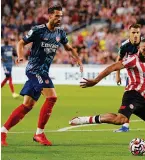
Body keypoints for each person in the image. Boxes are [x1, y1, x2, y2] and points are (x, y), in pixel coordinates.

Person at [69, 38, 145, 155]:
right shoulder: (132, 60)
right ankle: (85, 119)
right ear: (139, 48)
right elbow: (113, 67)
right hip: (132, 95)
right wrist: (95, 81)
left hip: (142, 100)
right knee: (120, 120)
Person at [1, 4, 83, 146]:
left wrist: (78, 60)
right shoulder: (38, 30)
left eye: (61, 16)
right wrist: (20, 56)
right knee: (52, 97)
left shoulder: (60, 33)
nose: (59, 19)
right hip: (34, 70)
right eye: (56, 16)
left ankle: (2, 132)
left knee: (27, 105)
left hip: (43, 72)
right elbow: (21, 42)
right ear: (50, 15)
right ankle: (39, 134)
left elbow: (69, 47)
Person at [115, 24, 145, 133]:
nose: (135, 35)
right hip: (133, 76)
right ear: (129, 33)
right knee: (128, 99)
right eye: (133, 32)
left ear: (140, 33)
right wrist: (117, 75)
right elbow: (119, 59)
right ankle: (125, 126)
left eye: (137, 32)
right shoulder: (125, 45)